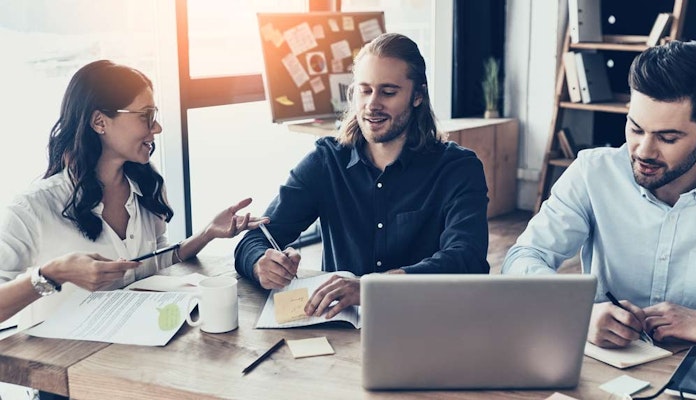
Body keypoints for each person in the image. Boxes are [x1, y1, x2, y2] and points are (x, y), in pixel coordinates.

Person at [502, 40, 696, 348]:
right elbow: (523, 258)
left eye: (667, 137)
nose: (643, 151)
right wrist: (575, 314)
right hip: (604, 365)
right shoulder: (593, 174)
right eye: (635, 128)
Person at [235, 33, 490, 318]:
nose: (372, 104)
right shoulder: (326, 161)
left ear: (418, 95)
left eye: (388, 92)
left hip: (424, 321)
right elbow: (255, 239)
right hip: (340, 330)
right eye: (364, 90)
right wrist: (261, 263)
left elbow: (467, 258)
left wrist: (372, 287)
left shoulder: (458, 169)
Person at [0, 60, 265, 329]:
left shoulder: (146, 188)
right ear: (99, 121)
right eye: (145, 116)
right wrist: (55, 273)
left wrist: (207, 233)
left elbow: (153, 261)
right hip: (61, 363)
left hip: (133, 352)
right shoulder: (32, 208)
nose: (157, 128)